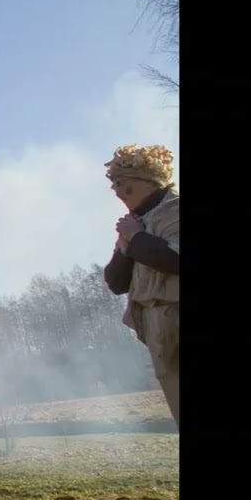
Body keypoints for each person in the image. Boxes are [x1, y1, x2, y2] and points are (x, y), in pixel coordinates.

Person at [101, 143, 179, 429]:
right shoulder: (135, 223)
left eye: (126, 186)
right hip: (160, 334)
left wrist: (136, 239)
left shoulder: (174, 210)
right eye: (116, 188)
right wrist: (125, 248)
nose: (120, 194)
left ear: (149, 182)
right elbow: (116, 283)